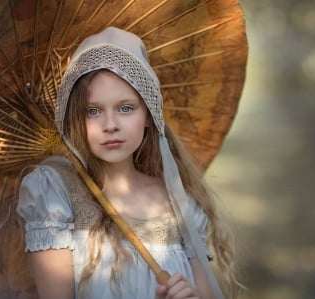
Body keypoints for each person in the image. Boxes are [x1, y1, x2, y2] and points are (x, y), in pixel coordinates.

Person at [17, 27, 240, 299]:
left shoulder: (180, 202)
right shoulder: (54, 194)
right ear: (76, 118)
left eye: (126, 108)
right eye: (93, 111)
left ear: (148, 114)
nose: (110, 125)